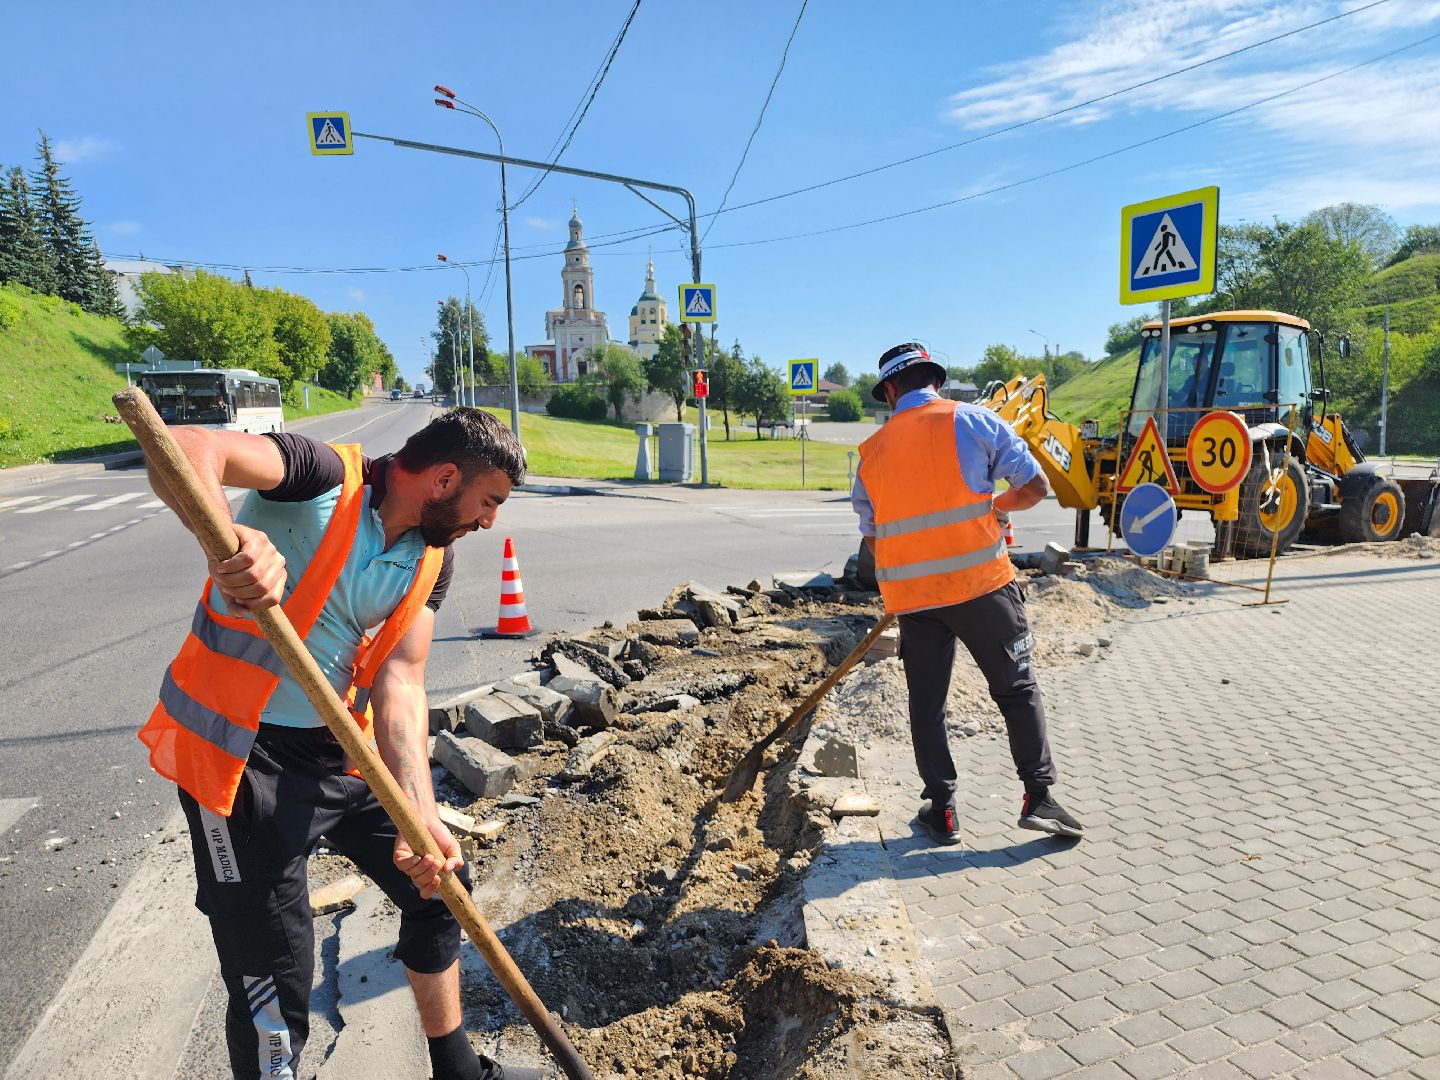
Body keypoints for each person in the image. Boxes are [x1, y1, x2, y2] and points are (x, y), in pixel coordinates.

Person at [139, 408, 543, 1080]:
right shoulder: (318, 476)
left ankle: (457, 1071)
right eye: (490, 501)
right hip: (244, 764)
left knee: (442, 888)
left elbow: (402, 683)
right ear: (445, 478)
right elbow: (183, 448)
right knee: (274, 969)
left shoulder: (430, 560)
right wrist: (227, 540)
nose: (491, 521)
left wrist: (419, 816)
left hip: (342, 754)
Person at [852, 343, 1083, 846]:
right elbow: (1036, 485)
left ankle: (943, 810)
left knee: (927, 703)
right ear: (934, 379)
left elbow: (874, 538)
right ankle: (1038, 797)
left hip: (916, 602)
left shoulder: (871, 454)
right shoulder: (975, 422)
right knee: (1017, 691)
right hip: (983, 588)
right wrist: (996, 512)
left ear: (890, 391)